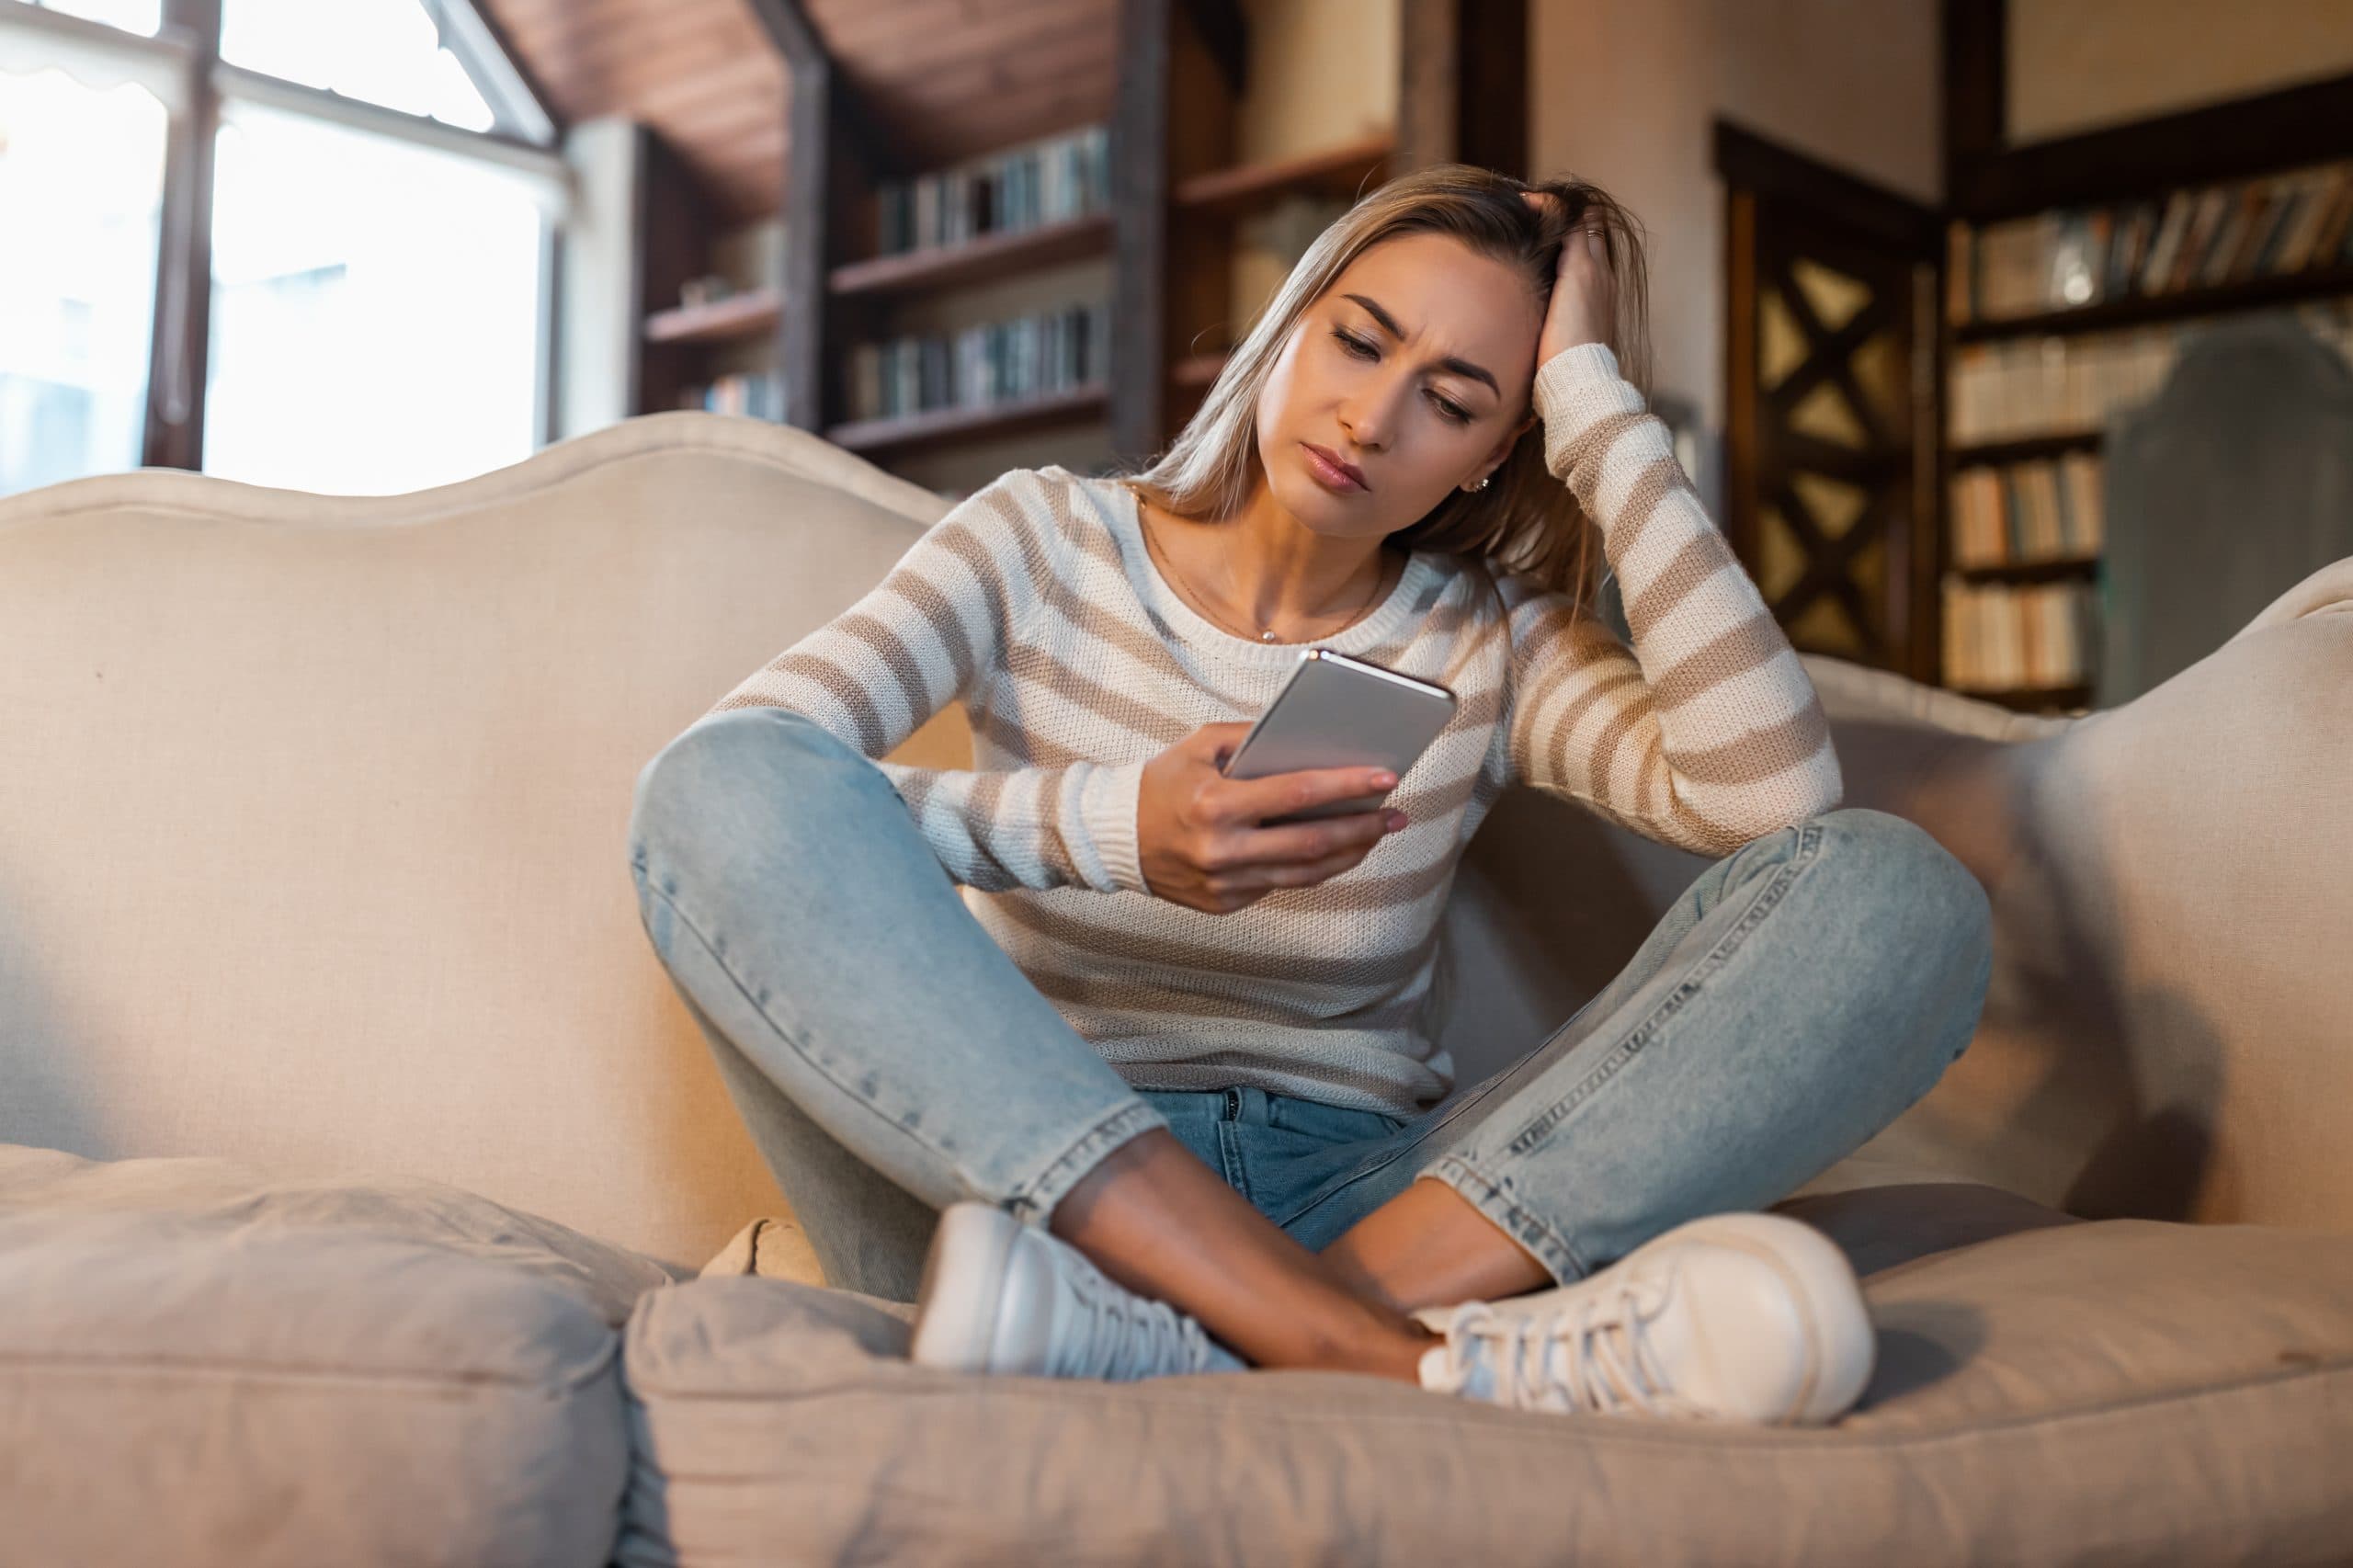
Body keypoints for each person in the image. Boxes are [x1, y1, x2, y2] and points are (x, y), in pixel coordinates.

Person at [626, 163, 1993, 1425]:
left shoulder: (1488, 642)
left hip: (1375, 1197)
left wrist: (1595, 403)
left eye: (1456, 402)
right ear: (1286, 327)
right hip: (1025, 1186)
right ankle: (1362, 1352)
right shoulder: (1042, 539)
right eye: (1359, 340)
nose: (1374, 416)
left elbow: (1770, 799)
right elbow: (748, 780)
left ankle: (1194, 1335)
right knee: (716, 789)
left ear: (1494, 454)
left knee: (1894, 890)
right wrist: (1112, 831)